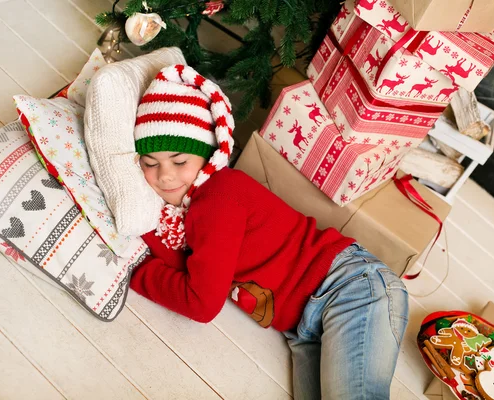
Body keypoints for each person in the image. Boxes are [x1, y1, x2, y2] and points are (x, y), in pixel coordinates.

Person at [129, 64, 409, 399]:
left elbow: (200, 303)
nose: (165, 176)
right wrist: (140, 226)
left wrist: (134, 272)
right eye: (150, 163)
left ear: (207, 157)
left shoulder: (218, 197)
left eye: (179, 161)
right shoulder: (188, 211)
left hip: (349, 288)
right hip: (304, 327)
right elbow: (187, 272)